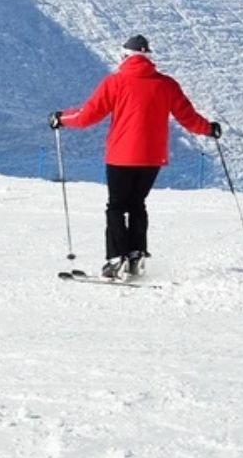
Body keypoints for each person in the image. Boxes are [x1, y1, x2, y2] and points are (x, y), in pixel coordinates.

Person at [51, 35, 219, 280]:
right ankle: (136, 256)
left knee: (117, 206)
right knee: (137, 204)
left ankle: (116, 258)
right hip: (152, 158)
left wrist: (61, 118)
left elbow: (88, 115)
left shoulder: (115, 82)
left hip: (121, 156)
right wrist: (209, 129)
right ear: (148, 56)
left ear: (124, 56)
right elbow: (188, 117)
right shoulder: (166, 84)